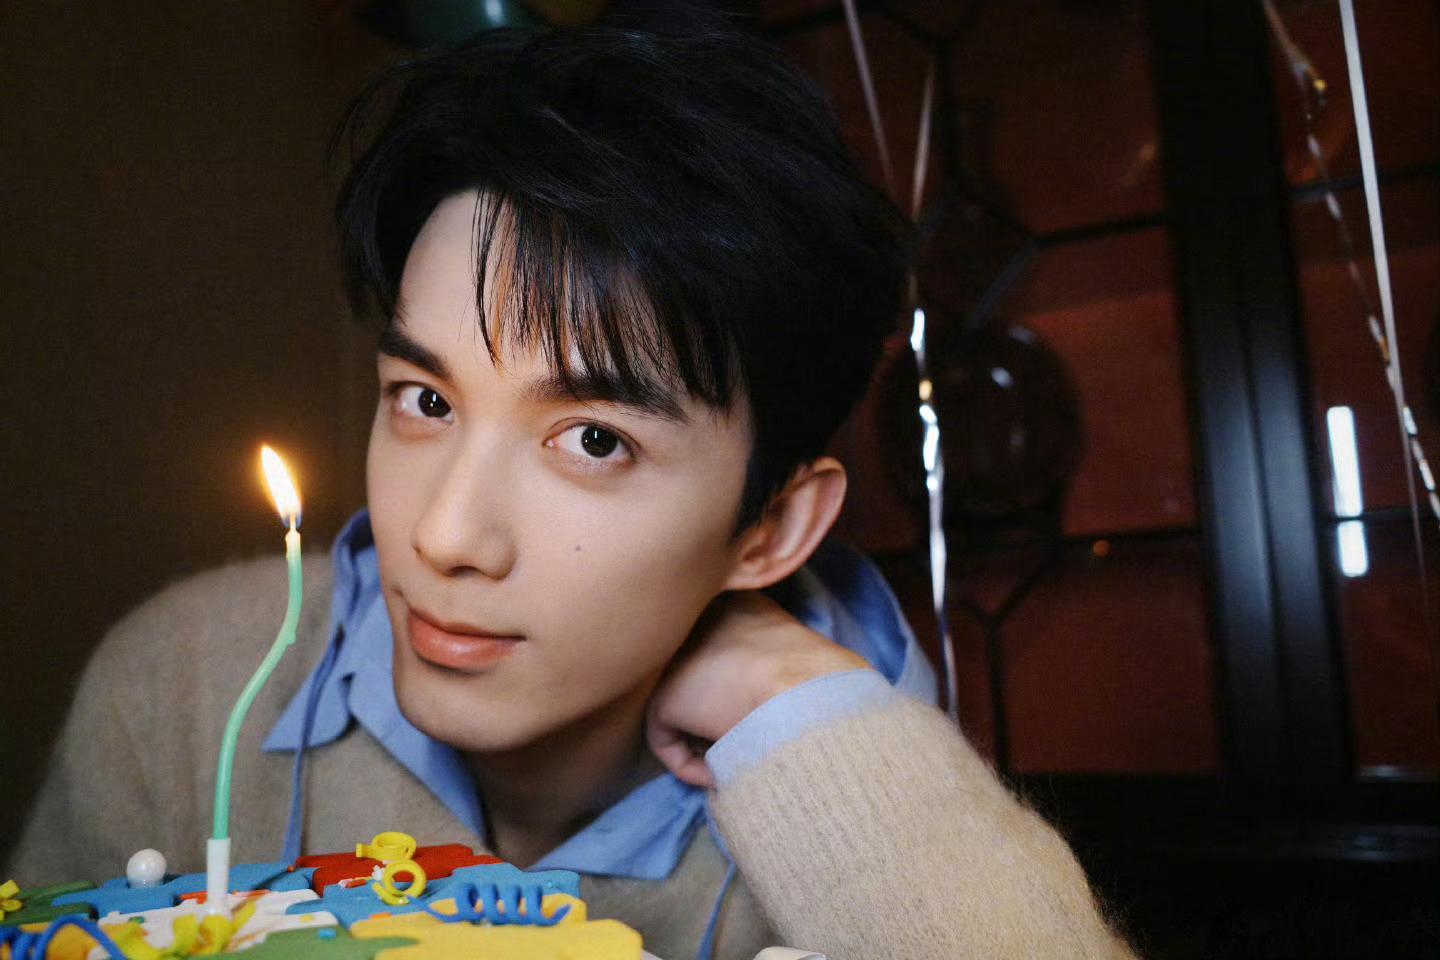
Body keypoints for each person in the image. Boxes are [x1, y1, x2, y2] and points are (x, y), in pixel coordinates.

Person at [6, 10, 1135, 960]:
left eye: (593, 440)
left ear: (775, 529)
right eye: (425, 400)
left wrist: (797, 703)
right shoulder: (188, 689)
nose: (444, 535)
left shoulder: (845, 771)